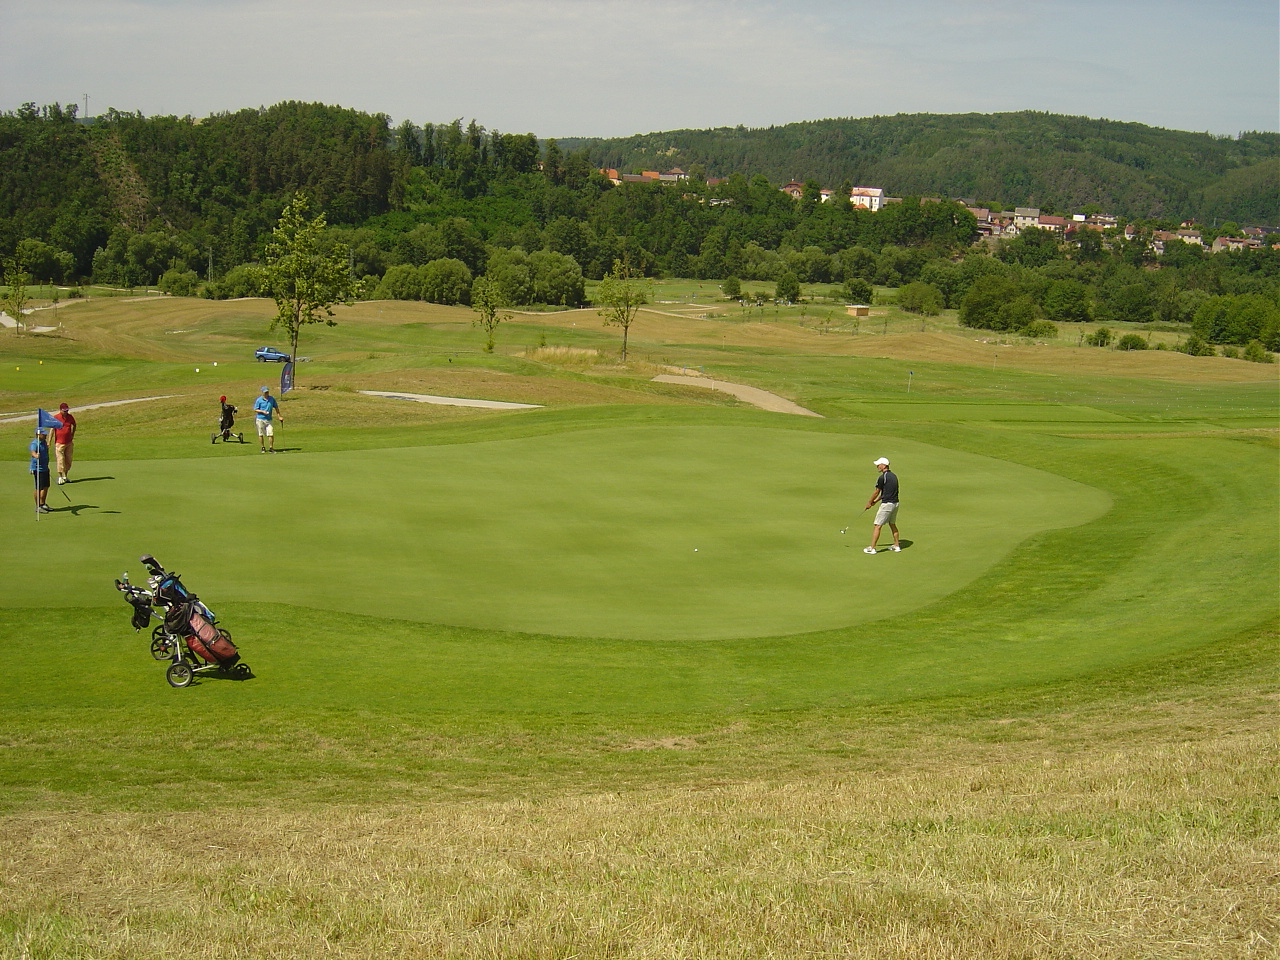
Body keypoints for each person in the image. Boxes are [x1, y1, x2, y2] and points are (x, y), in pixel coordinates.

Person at [864, 456, 901, 554]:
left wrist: (869, 502)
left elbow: (877, 491)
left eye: (878, 465)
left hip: (887, 505)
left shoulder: (882, 477)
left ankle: (872, 548)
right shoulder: (894, 476)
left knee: (877, 525)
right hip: (895, 504)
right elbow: (885, 493)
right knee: (892, 524)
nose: (877, 467)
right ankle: (897, 545)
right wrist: (875, 501)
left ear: (884, 466)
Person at [52, 402, 76, 484]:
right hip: (59, 443)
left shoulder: (70, 417)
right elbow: (52, 430)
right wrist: (49, 441)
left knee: (68, 459)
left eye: (67, 410)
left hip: (68, 442)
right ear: (60, 410)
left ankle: (65, 476)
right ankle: (60, 477)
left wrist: (72, 434)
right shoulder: (56, 417)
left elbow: (74, 425)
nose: (66, 412)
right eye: (64, 411)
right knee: (60, 460)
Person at [253, 386, 282, 453]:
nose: (266, 393)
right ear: (262, 393)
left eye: (267, 392)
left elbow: (276, 408)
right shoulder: (259, 400)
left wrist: (279, 416)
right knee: (261, 434)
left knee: (270, 433)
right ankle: (263, 447)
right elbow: (256, 409)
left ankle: (271, 448)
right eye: (265, 392)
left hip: (269, 419)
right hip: (260, 419)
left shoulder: (272, 399)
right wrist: (262, 412)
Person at [30, 428, 51, 513]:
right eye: (43, 434)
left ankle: (43, 504)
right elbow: (32, 452)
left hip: (45, 467)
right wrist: (36, 455)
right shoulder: (35, 443)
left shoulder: (44, 442)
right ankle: (38, 506)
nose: (45, 435)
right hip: (38, 469)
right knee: (39, 488)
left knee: (46, 486)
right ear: (38, 435)